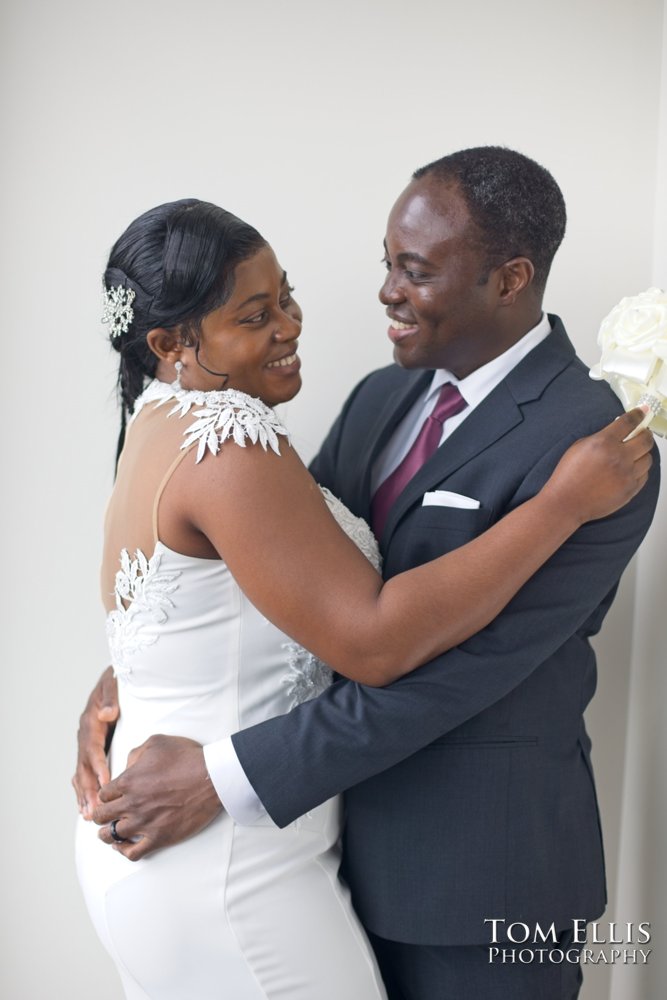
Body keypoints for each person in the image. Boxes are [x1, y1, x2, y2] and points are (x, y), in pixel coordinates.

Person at [74, 152, 658, 1000]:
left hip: (482, 885)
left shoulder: (597, 452)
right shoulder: (383, 397)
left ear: (510, 277)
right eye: (385, 261)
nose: (385, 290)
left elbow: (455, 676)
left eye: (413, 270)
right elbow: (265, 578)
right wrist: (130, 684)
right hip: (318, 862)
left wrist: (224, 775)